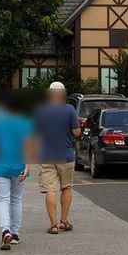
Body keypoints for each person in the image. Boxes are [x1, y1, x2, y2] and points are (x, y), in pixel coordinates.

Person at [33, 81, 80, 235]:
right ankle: (64, 221)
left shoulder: (41, 110)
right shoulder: (70, 109)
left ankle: (53, 225)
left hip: (46, 154)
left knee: (50, 190)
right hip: (66, 154)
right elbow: (76, 132)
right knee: (66, 187)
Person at [0, 94, 33, 250]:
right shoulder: (26, 123)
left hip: (2, 164)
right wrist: (28, 166)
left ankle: (5, 230)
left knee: (3, 199)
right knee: (16, 199)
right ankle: (15, 233)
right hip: (19, 166)